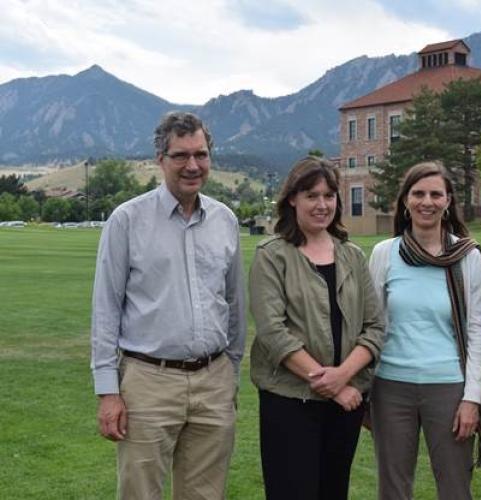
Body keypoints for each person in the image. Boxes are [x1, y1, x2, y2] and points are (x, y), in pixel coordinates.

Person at [90, 111, 246, 499]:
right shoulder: (127, 220)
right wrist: (108, 392)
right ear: (160, 159)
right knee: (141, 492)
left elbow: (234, 303)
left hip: (213, 380)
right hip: (148, 382)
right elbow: (105, 309)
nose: (192, 165)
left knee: (206, 494)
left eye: (201, 154)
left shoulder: (224, 220)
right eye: (180, 156)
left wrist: (231, 371)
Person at [248, 156, 384, 500]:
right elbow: (273, 333)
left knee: (333, 491)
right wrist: (332, 386)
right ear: (292, 198)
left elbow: (375, 327)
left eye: (329, 195)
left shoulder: (352, 256)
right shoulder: (271, 256)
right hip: (290, 403)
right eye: (311, 195)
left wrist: (344, 376)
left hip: (347, 403)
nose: (322, 204)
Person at [368, 161, 481, 500]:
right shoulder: (385, 253)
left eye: (436, 194)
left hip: (449, 389)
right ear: (406, 201)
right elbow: (370, 326)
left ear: (449, 201)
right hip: (391, 387)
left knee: (455, 488)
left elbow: (476, 333)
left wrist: (471, 398)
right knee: (393, 488)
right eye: (418, 193)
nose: (427, 201)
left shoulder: (466, 257)